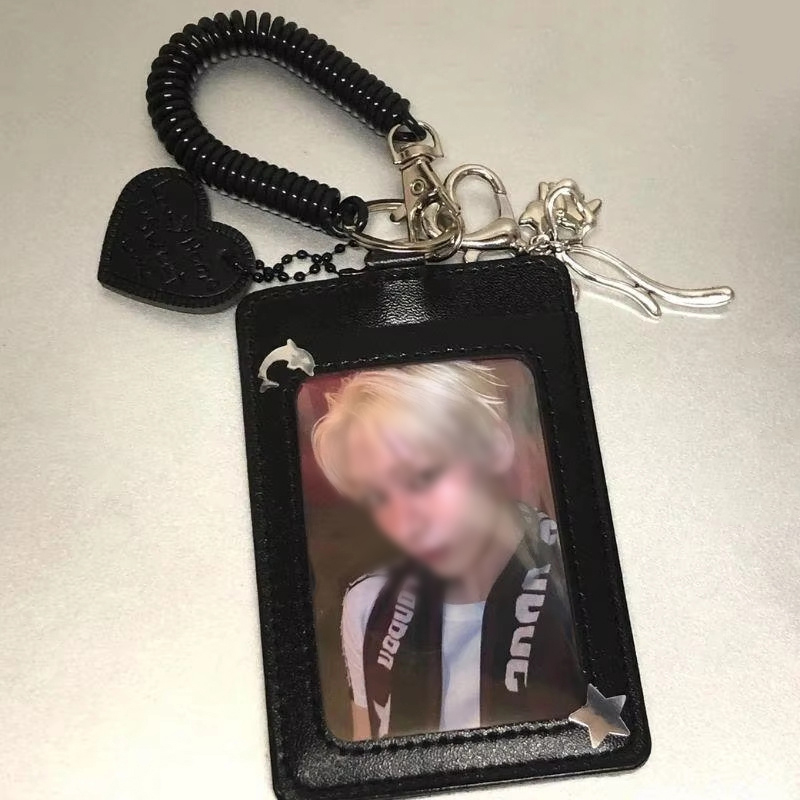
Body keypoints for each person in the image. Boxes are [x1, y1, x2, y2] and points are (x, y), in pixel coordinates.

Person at [311, 360, 584, 740]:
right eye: (378, 497)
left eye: (423, 476)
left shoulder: (579, 585)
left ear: (494, 444)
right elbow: (369, 757)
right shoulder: (369, 605)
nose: (404, 522)